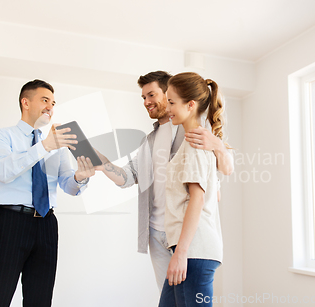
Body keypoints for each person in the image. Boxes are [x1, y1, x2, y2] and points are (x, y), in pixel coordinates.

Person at [95, 71, 233, 292]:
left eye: (151, 95)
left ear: (168, 92)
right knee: (168, 297)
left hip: (184, 232)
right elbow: (128, 177)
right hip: (156, 232)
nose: (147, 102)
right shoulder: (148, 141)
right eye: (143, 98)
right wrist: (103, 164)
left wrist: (217, 145)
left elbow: (225, 169)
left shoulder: (192, 128)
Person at [0, 79, 96, 307]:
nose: (50, 107)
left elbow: (67, 185)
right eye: (44, 100)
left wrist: (81, 177)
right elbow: (3, 171)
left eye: (53, 102)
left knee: (40, 300)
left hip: (46, 225)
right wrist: (44, 147)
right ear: (25, 102)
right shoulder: (3, 136)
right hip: (10, 223)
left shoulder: (56, 144)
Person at [158, 72, 227, 307]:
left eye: (171, 102)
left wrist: (181, 253)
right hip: (189, 250)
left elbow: (197, 200)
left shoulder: (195, 145)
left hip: (194, 252)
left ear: (190, 105)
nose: (167, 108)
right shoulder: (196, 142)